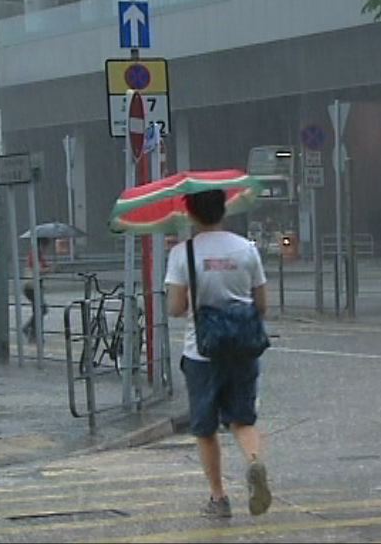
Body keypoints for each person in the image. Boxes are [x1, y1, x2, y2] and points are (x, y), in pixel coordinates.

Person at [165, 189, 272, 518]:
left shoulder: (183, 253)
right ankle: (254, 462)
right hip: (243, 348)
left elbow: (176, 308)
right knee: (242, 419)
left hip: (203, 352)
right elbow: (262, 305)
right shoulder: (247, 249)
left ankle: (218, 498)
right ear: (224, 210)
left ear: (191, 214)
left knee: (205, 428)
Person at [22, 236, 51, 344]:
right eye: (45, 246)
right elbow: (38, 270)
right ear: (40, 245)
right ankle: (31, 331)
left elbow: (44, 267)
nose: (45, 249)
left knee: (40, 310)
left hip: (35, 287)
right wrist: (49, 269)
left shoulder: (39, 255)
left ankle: (32, 332)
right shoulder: (34, 254)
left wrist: (49, 268)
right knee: (40, 310)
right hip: (31, 287)